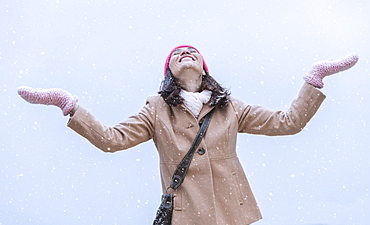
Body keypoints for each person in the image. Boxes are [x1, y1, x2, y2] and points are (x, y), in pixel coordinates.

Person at [18, 45, 358, 225]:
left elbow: (288, 122)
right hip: (186, 218)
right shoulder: (156, 109)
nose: (185, 52)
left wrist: (313, 79)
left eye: (192, 51)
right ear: (170, 73)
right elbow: (111, 139)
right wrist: (68, 105)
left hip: (230, 214)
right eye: (177, 54)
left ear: (204, 68)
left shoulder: (231, 108)